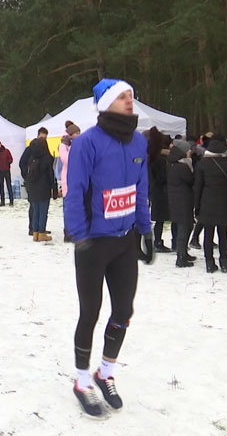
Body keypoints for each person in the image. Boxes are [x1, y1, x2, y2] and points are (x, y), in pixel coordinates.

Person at [65, 78, 153, 418]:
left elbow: (141, 188)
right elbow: (75, 191)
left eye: (131, 94)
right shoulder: (87, 143)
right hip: (93, 242)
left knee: (123, 312)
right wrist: (80, 235)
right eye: (122, 96)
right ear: (105, 103)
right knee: (90, 312)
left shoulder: (138, 144)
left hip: (124, 241)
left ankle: (106, 371)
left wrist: (145, 230)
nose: (130, 100)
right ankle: (82, 381)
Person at [194, 135, 227, 273]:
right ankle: (224, 261)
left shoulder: (202, 163)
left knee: (208, 234)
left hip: (207, 201)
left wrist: (197, 206)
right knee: (223, 233)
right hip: (225, 200)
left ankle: (209, 262)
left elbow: (198, 186)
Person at [167, 138, 196, 267]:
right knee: (184, 228)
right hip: (182, 200)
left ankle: (183, 252)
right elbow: (191, 180)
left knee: (186, 226)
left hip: (177, 199)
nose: (190, 151)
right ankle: (181, 257)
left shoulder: (173, 163)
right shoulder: (182, 166)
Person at [146, 128, 174, 253]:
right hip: (160, 191)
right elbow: (162, 177)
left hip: (155, 190)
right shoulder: (161, 159)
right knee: (160, 219)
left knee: (160, 219)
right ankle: (157, 242)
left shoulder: (153, 156)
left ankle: (158, 241)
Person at [26, 138, 56, 241]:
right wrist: (54, 188)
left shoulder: (32, 158)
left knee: (35, 212)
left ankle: (35, 233)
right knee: (43, 212)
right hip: (43, 188)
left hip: (33, 188)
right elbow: (51, 175)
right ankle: (42, 233)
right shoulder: (47, 158)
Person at [21, 128, 49, 235]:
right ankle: (32, 227)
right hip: (32, 181)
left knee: (39, 207)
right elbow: (22, 162)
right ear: (38, 136)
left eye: (45, 138)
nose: (43, 139)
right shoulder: (30, 149)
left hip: (41, 182)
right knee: (33, 206)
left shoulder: (44, 149)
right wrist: (27, 175)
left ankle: (39, 227)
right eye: (42, 137)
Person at [59, 123, 80, 242]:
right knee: (68, 209)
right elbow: (67, 160)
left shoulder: (75, 145)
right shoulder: (64, 146)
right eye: (76, 133)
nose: (78, 135)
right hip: (68, 181)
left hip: (77, 181)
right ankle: (68, 232)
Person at [0, 140, 14, 206]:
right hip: (0, 171)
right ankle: (2, 201)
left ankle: (11, 200)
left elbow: (11, 158)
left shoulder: (6, 151)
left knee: (9, 185)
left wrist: (9, 162)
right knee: (1, 187)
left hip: (7, 170)